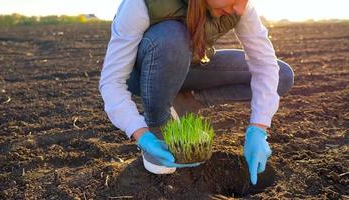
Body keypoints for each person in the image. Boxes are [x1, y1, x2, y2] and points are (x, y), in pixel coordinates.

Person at [99, 0, 294, 185]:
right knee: (173, 34)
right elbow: (112, 81)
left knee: (282, 75)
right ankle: (158, 127)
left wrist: (258, 129)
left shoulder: (238, 7)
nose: (239, 9)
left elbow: (264, 65)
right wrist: (141, 134)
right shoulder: (141, 4)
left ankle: (187, 102)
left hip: (190, 65)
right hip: (146, 72)